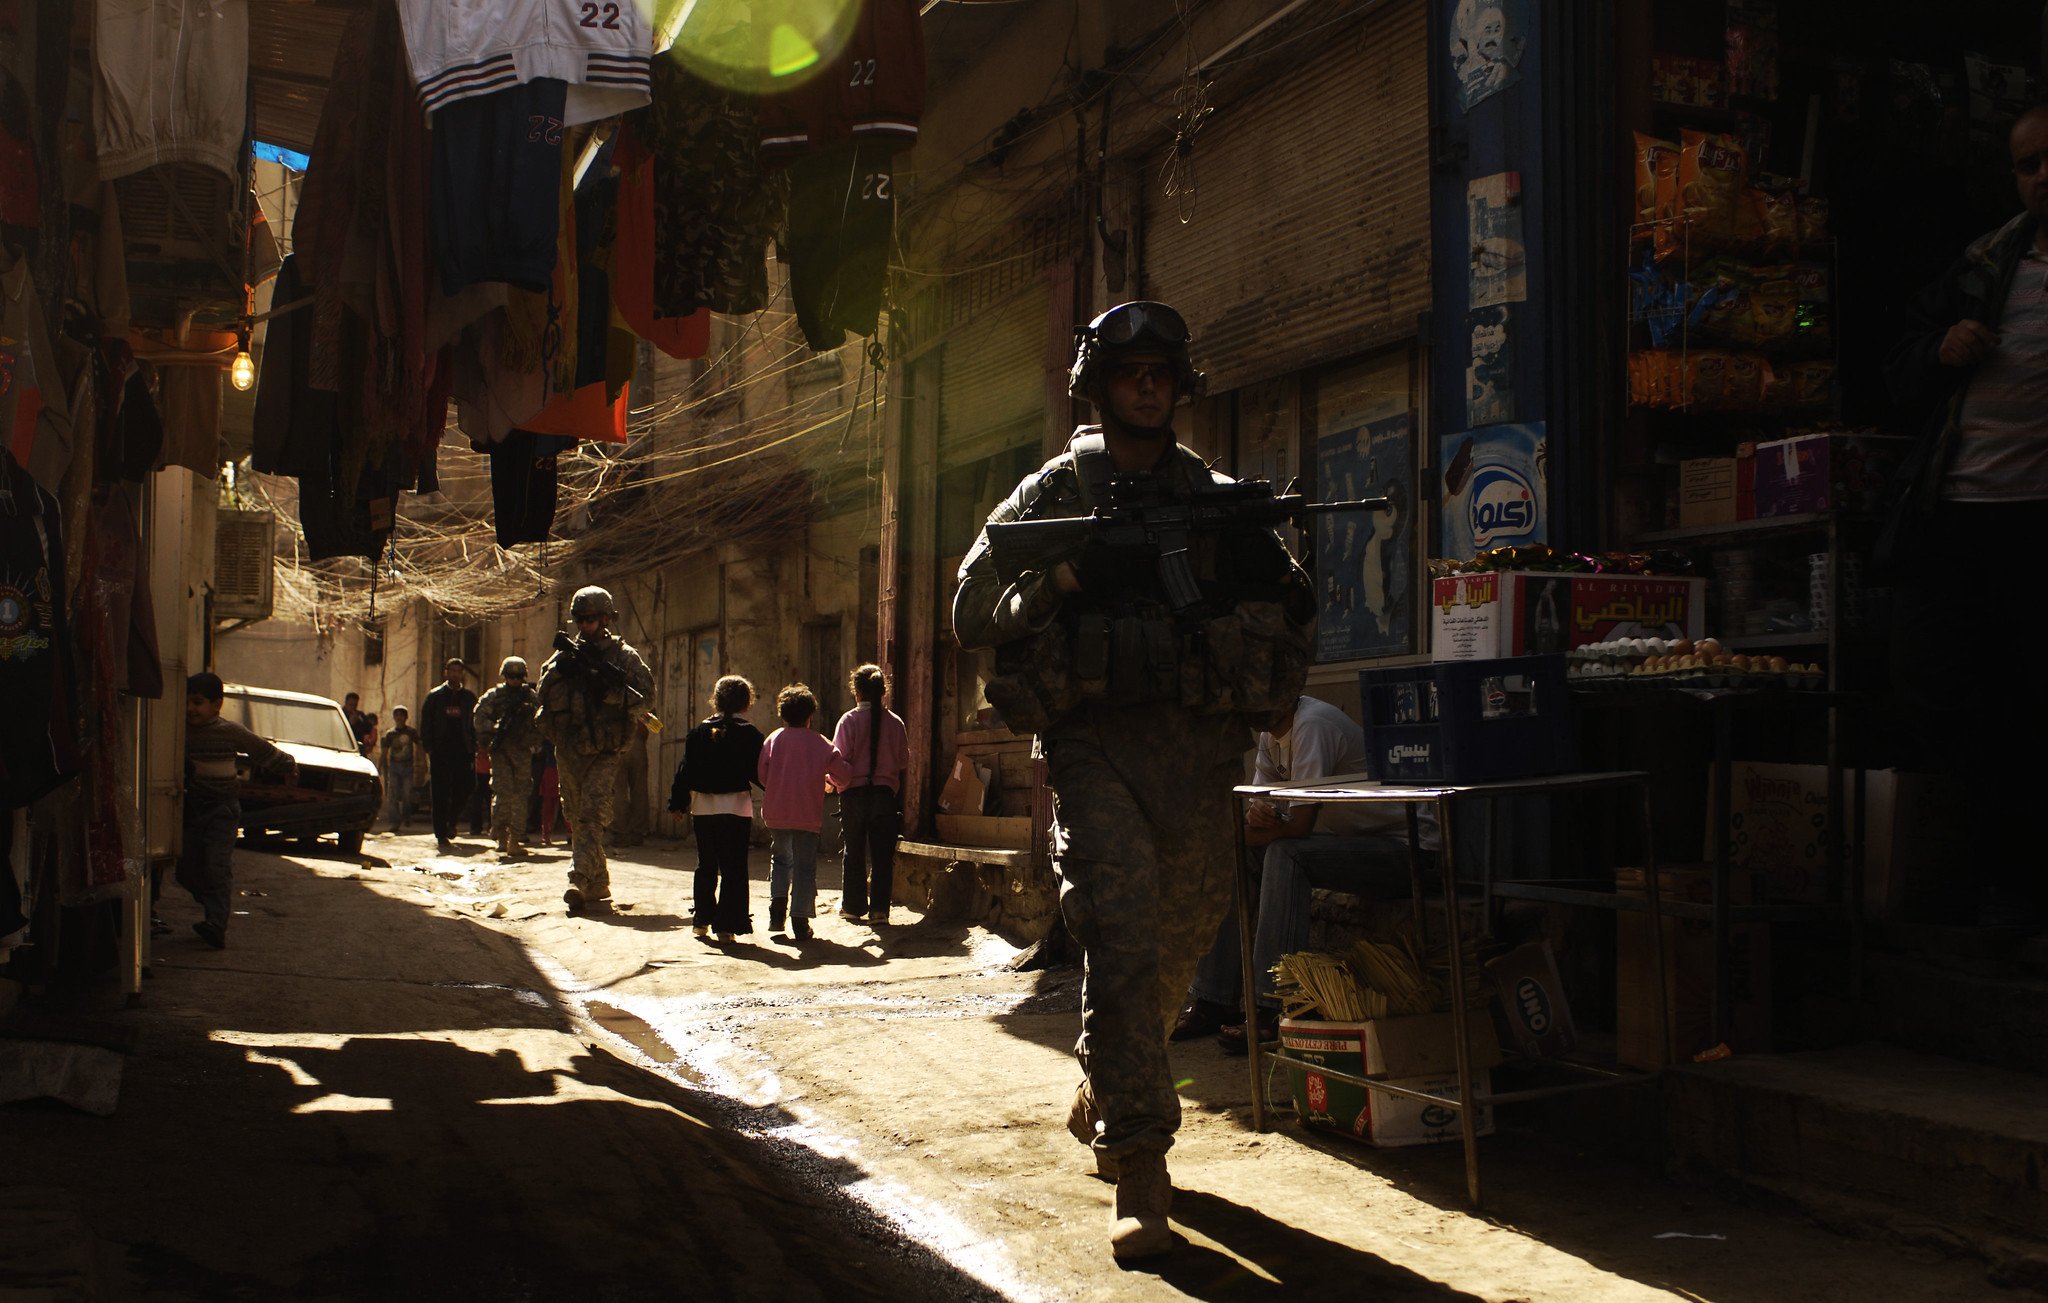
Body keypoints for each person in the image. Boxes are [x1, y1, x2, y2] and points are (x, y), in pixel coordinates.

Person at [952, 300, 1314, 1259]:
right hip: (1096, 746)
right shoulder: (1053, 493)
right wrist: (1068, 577)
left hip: (1200, 753)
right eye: (1129, 373)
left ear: (1179, 384)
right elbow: (971, 607)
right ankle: (1143, 1160)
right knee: (1119, 934)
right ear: (1098, 386)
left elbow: (1292, 602)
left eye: (1161, 372)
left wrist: (1262, 664)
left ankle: (1111, 1078)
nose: (1147, 386)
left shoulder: (1218, 498)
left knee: (1178, 949)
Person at [1884, 104, 2048, 927]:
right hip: (1956, 517)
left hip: (2036, 525)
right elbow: (1902, 364)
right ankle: (1998, 884)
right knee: (1945, 694)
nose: (2043, 174)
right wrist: (1940, 349)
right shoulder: (1987, 262)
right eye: (2028, 164)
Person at [1169, 694, 1433, 1054]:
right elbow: (1255, 817)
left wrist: (1245, 829)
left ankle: (1270, 1008)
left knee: (1286, 853)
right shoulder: (1269, 737)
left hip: (1405, 849)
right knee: (1236, 856)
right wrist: (1236, 831)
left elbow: (1299, 827)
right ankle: (1213, 1000)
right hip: (1349, 843)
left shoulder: (1312, 725)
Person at [536, 586, 655, 914]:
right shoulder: (565, 656)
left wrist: (612, 694)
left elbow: (646, 697)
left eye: (592, 619)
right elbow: (542, 697)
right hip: (570, 748)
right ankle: (599, 881)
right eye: (580, 619)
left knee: (590, 814)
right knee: (574, 815)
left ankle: (578, 879)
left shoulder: (623, 656)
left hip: (606, 750)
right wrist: (562, 674)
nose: (585, 625)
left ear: (606, 618)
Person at [179, 672, 295, 948]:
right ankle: (212, 904)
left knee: (217, 867)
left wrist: (288, 765)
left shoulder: (230, 731)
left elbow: (262, 751)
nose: (190, 709)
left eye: (197, 702)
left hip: (222, 811)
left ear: (217, 705)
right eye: (187, 702)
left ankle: (216, 924)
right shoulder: (179, 732)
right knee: (184, 870)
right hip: (192, 810)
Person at [670, 675, 765, 942]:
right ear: (746, 702)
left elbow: (684, 771)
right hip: (736, 808)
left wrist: (677, 803)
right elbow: (759, 772)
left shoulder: (698, 732)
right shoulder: (749, 733)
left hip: (702, 809)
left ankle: (701, 920)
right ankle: (727, 926)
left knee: (706, 864)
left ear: (717, 699)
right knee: (733, 866)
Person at [758, 683, 846, 942]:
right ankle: (800, 919)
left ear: (782, 715)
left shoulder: (773, 739)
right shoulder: (820, 743)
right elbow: (843, 773)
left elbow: (763, 775)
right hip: (807, 815)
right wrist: (829, 780)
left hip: (776, 812)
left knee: (781, 859)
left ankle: (777, 910)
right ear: (810, 716)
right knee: (805, 866)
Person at [829, 664, 906, 926]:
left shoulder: (848, 721)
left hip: (853, 795)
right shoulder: (895, 722)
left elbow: (839, 761)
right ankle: (879, 911)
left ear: (856, 692)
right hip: (884, 795)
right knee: (882, 854)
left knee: (854, 850)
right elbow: (903, 760)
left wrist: (834, 782)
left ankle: (852, 906)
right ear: (883, 691)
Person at [474, 656, 543, 858]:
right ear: (505, 676)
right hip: (502, 751)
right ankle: (501, 836)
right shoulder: (494, 696)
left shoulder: (530, 697)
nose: (514, 680)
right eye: (511, 676)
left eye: (518, 676)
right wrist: (495, 728)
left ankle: (515, 839)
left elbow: (543, 721)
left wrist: (532, 738)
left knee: (521, 794)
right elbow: (479, 719)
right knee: (503, 793)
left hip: (522, 750)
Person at [421, 658, 478, 852]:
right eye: (452, 671)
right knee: (439, 793)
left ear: (462, 673)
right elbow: (426, 725)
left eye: (458, 671)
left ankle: (452, 820)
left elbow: (474, 725)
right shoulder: (435, 697)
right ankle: (441, 834)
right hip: (440, 751)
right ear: (446, 672)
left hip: (463, 751)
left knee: (466, 786)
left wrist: (475, 746)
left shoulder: (469, 698)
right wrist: (429, 748)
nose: (455, 674)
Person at [378, 705, 421, 832]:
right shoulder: (390, 734)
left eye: (401, 715)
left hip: (408, 766)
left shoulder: (411, 732)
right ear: (394, 717)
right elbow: (384, 752)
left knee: (407, 793)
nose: (399, 718)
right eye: (397, 715)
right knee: (393, 795)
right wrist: (379, 767)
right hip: (394, 767)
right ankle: (394, 822)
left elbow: (420, 746)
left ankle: (407, 816)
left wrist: (422, 762)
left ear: (406, 717)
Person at [536, 740, 562, 845]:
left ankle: (546, 834)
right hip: (559, 768)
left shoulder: (548, 734)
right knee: (568, 802)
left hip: (551, 768)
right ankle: (570, 833)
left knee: (548, 805)